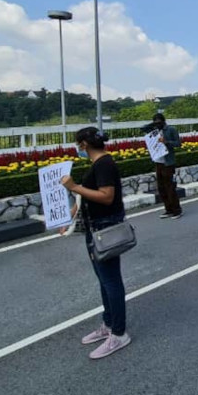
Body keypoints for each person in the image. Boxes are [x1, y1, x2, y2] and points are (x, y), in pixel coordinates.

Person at [60, 127, 131, 360]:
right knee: (103, 279)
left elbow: (106, 196)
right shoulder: (98, 164)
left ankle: (119, 333)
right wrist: (69, 215)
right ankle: (109, 324)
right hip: (95, 227)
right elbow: (87, 196)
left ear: (83, 145)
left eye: (77, 144)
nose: (77, 148)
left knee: (111, 280)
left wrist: (74, 187)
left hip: (105, 228)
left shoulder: (104, 164)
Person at [151, 113, 183, 220]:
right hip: (158, 162)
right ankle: (168, 209)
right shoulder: (154, 133)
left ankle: (176, 210)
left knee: (170, 187)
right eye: (155, 122)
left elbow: (178, 143)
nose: (157, 124)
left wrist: (166, 142)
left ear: (163, 121)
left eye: (159, 122)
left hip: (168, 163)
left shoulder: (171, 130)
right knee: (161, 188)